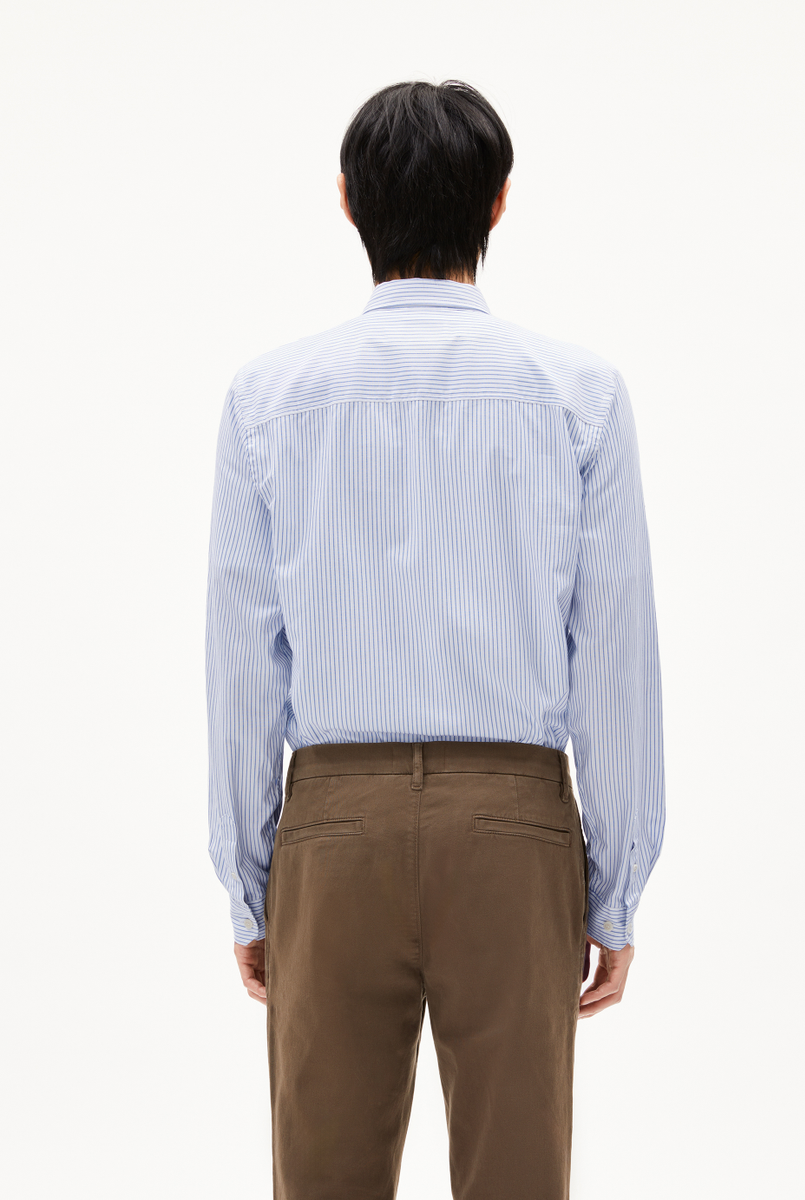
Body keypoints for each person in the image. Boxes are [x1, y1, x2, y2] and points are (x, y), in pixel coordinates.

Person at [205, 78, 665, 1200]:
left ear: (348, 200)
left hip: (331, 831)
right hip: (514, 830)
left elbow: (241, 660)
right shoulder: (579, 395)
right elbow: (614, 657)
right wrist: (615, 889)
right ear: (497, 203)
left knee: (319, 1180)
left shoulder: (267, 398)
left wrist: (250, 883)